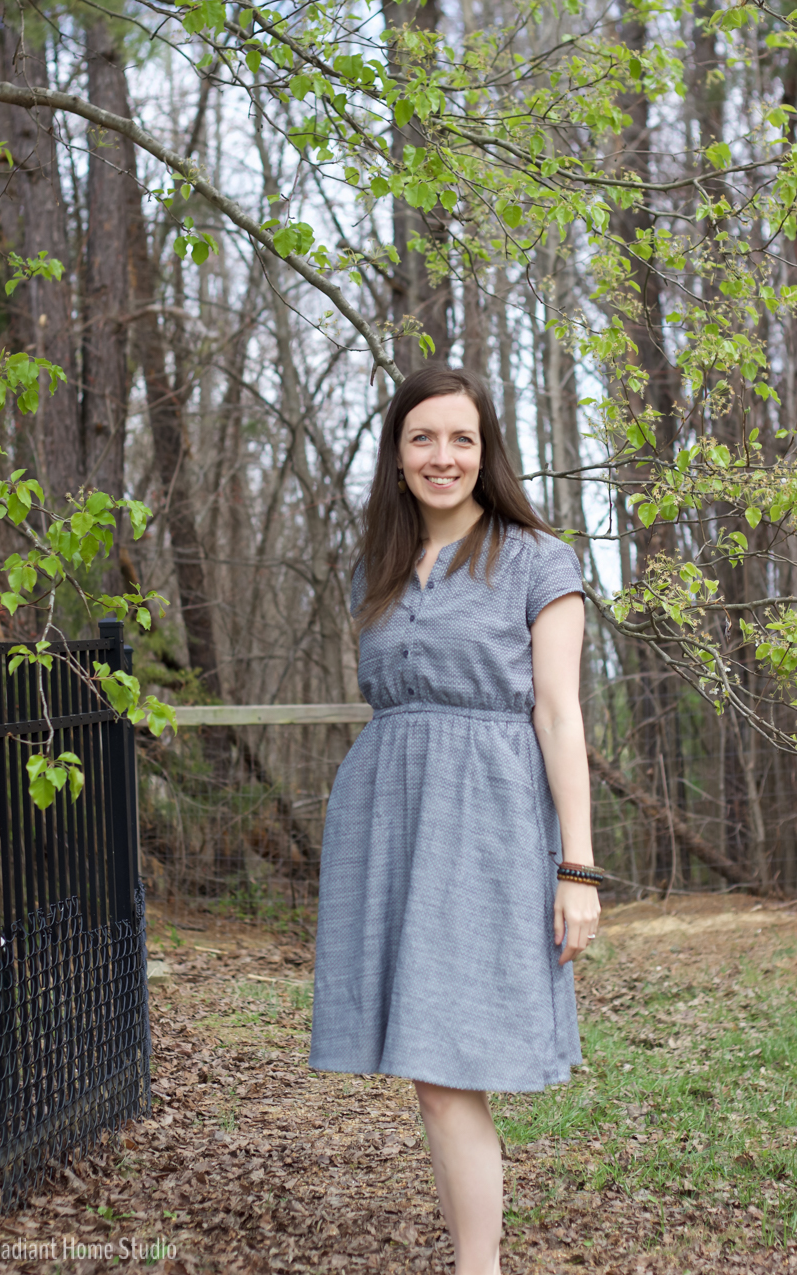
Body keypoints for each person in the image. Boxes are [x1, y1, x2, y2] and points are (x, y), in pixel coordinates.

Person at [309, 366, 600, 1275]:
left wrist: (579, 868)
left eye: (462, 439)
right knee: (431, 1072)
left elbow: (558, 714)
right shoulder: (378, 566)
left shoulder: (535, 559)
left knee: (445, 1069)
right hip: (388, 820)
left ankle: (481, 1267)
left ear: (487, 453)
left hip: (488, 825)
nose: (443, 456)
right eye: (423, 438)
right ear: (398, 457)